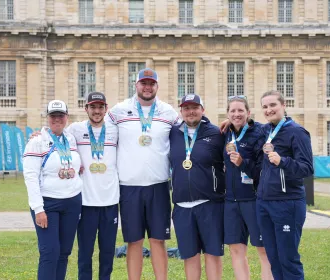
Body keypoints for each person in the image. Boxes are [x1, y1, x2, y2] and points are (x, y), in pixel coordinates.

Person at [106, 68, 179, 280]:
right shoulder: (119, 111)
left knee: (158, 240)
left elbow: (191, 130)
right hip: (129, 187)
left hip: (159, 185)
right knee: (134, 241)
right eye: (143, 83)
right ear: (136, 85)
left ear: (157, 86)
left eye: (152, 84)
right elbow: (97, 130)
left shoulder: (168, 112)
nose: (147, 87)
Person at [257, 90, 313, 280]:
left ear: (283, 105)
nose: (269, 110)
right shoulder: (266, 131)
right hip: (264, 202)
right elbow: (247, 127)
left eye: (273, 105)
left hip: (287, 203)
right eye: (265, 107)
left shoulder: (297, 132)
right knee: (274, 258)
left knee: (288, 259)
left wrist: (283, 161)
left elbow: (307, 168)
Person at [23, 100, 82, 280]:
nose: (57, 119)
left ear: (67, 117)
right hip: (48, 204)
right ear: (47, 118)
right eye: (53, 116)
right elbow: (31, 177)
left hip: (72, 202)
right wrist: (38, 209)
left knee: (64, 252)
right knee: (50, 252)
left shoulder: (71, 139)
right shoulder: (37, 142)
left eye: (60, 115)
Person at [169, 94, 225, 280]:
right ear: (181, 111)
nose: (191, 111)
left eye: (195, 107)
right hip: (182, 206)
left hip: (210, 204)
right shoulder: (173, 133)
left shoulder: (216, 133)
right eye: (186, 108)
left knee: (213, 254)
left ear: (203, 109)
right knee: (189, 256)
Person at [67, 92, 119, 280]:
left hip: (110, 202)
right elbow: (56, 135)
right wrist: (40, 133)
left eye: (100, 107)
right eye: (93, 107)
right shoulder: (75, 129)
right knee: (85, 252)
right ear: (86, 109)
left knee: (107, 252)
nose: (97, 111)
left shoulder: (115, 130)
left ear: (106, 109)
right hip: (86, 203)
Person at [223, 96, 273, 280]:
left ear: (248, 113)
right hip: (230, 202)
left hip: (254, 200)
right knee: (236, 250)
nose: (236, 114)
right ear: (227, 114)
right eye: (232, 111)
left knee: (264, 249)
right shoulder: (225, 133)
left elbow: (263, 169)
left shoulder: (259, 133)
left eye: (240, 110)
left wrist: (243, 163)